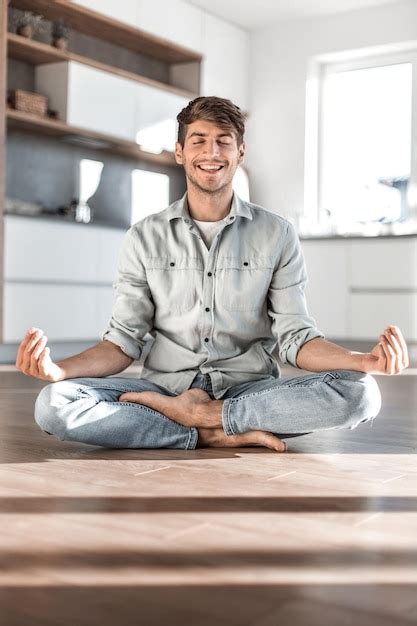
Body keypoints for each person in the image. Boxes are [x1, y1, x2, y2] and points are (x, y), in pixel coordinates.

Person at [17, 96, 408, 453]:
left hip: (248, 389)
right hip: (165, 387)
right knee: (54, 405)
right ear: (180, 151)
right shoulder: (144, 236)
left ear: (240, 152)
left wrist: (362, 362)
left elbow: (296, 338)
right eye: (199, 139)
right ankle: (211, 431)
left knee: (360, 394)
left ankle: (201, 418)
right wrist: (59, 370)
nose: (211, 152)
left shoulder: (276, 233)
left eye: (223, 140)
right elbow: (122, 343)